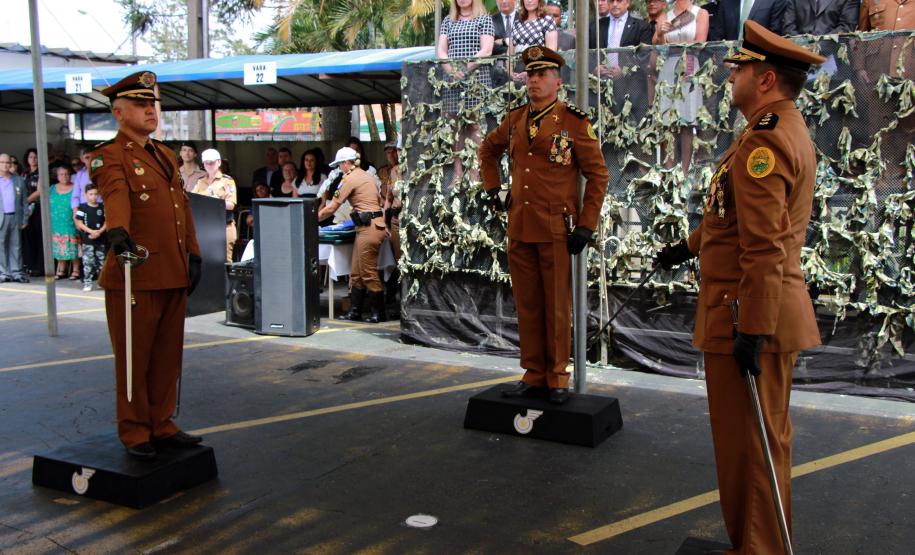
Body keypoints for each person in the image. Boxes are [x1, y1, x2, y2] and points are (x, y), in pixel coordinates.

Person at [657, 21, 824, 553]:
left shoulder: (765, 142)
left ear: (767, 78)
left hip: (745, 317)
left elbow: (765, 247)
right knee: (755, 443)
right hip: (749, 311)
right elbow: (732, 219)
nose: (731, 77)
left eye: (741, 69)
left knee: (749, 450)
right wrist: (688, 246)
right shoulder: (771, 129)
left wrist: (751, 328)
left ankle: (758, 549)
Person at [478, 46, 609, 405]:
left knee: (556, 306)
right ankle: (533, 372)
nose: (534, 80)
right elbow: (487, 151)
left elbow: (597, 175)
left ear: (557, 80)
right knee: (529, 304)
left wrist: (586, 224)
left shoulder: (574, 122)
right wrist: (494, 189)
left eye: (542, 75)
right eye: (530, 75)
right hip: (520, 225)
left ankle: (557, 377)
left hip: (556, 227)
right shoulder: (516, 119)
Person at [89, 70, 203, 460]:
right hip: (134, 273)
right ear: (119, 113)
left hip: (171, 270)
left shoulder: (166, 155)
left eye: (152, 103)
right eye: (140, 105)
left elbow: (181, 208)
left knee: (168, 356)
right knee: (135, 359)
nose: (150, 110)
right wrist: (117, 231)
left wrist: (194, 252)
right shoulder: (109, 156)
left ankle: (162, 423)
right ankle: (136, 431)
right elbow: (116, 197)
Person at [317, 147, 387, 323]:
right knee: (356, 272)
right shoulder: (366, 175)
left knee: (367, 272)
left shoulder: (349, 179)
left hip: (368, 227)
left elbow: (333, 206)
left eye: (340, 164)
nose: (339, 168)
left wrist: (312, 218)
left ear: (346, 163)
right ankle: (355, 311)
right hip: (370, 225)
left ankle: (378, 312)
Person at [437, 0, 495, 185]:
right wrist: (452, 71)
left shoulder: (484, 19)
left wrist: (465, 67)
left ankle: (475, 171)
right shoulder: (448, 20)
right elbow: (441, 50)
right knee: (455, 127)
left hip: (476, 77)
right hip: (452, 79)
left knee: (474, 125)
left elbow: (487, 49)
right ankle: (458, 172)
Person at [656, 0, 709, 174]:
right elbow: (658, 43)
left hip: (690, 65)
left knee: (687, 122)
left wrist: (678, 46)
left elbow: (700, 42)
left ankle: (685, 172)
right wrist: (660, 33)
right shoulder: (665, 15)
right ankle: (669, 170)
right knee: (668, 122)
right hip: (670, 66)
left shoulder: (700, 13)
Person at [193, 148, 238, 262]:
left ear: (219, 162)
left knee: (225, 262)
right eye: (206, 163)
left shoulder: (228, 181)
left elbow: (231, 205)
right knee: (207, 261)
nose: (209, 165)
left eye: (212, 162)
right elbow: (192, 200)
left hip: (224, 226)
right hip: (206, 227)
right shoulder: (200, 182)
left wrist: (215, 200)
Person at [0, 153, 30, 283]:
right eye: (3, 162)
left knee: (16, 245)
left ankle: (16, 271)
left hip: (15, 216)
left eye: (8, 162)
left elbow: (24, 202)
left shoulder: (18, 180)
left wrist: (25, 219)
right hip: (2, 217)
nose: (6, 165)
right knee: (1, 245)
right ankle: (3, 273)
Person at [74, 183, 107, 292]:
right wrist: (91, 231)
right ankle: (87, 283)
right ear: (86, 195)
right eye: (91, 194)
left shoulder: (102, 207)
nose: (93, 196)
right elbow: (79, 222)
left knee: (101, 261)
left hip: (100, 239)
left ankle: (101, 282)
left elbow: (107, 221)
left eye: (95, 194)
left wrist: (99, 231)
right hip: (88, 240)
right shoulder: (82, 207)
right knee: (88, 262)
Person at [49, 166, 80, 280]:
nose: (64, 176)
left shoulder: (75, 187)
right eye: (61, 174)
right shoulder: (52, 188)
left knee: (73, 243)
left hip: (70, 220)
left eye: (67, 174)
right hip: (56, 221)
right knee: (58, 244)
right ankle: (61, 268)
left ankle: (76, 269)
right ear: (57, 176)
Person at [709, 0, 786, 41]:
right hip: (730, 63)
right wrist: (725, 59)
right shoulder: (727, 3)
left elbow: (775, 35)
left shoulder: (775, 1)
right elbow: (718, 37)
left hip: (760, 62)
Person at [21, 148, 44, 276]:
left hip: (38, 207)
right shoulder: (24, 174)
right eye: (30, 157)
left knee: (39, 236)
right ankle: (30, 265)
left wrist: (25, 201)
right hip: (26, 209)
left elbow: (39, 191)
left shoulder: (41, 173)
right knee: (28, 237)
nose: (33, 159)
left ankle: (40, 266)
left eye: (35, 157)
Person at [782, 0, 859, 35]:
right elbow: (788, 27)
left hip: (832, 55)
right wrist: (802, 45)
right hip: (798, 54)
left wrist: (818, 45)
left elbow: (846, 27)